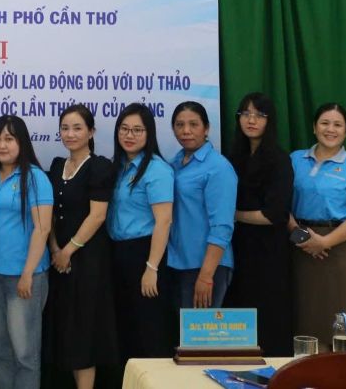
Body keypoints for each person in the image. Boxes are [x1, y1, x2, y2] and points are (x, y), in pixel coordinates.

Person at [288, 103, 346, 348]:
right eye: (325, 123)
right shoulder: (295, 160)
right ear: (314, 127)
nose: (330, 129)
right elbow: (280, 204)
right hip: (300, 247)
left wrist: (324, 242)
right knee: (307, 330)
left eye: (338, 125)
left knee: (344, 331)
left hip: (342, 250)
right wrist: (301, 237)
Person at [46, 104, 117, 387]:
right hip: (58, 260)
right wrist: (54, 248)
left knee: (85, 330)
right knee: (67, 330)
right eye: (65, 128)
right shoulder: (55, 166)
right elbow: (48, 212)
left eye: (77, 128)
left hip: (88, 261)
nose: (70, 134)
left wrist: (68, 250)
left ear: (91, 132)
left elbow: (97, 215)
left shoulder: (99, 166)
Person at [0, 115, 53, 389]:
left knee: (25, 354)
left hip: (25, 278)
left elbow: (42, 229)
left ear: (22, 143)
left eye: (9, 139)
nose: (2, 145)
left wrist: (27, 274)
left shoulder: (34, 177)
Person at [224, 93, 293, 356]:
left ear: (269, 120)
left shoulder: (279, 159)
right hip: (237, 248)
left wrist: (234, 215)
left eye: (259, 115)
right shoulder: (232, 157)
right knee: (237, 318)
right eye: (245, 114)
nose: (251, 120)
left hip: (268, 252)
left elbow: (275, 214)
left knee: (268, 319)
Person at [106, 103, 174, 361]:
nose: (129, 135)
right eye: (124, 129)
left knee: (149, 331)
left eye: (137, 130)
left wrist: (151, 268)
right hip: (117, 253)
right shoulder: (117, 166)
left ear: (149, 134)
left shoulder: (157, 170)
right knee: (125, 330)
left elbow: (164, 221)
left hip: (145, 254)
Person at [167, 101, 236, 310]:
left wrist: (206, 276)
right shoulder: (175, 163)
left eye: (193, 124)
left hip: (206, 266)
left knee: (200, 340)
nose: (186, 131)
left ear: (206, 128)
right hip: (177, 263)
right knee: (180, 338)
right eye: (179, 125)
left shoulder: (218, 167)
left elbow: (222, 226)